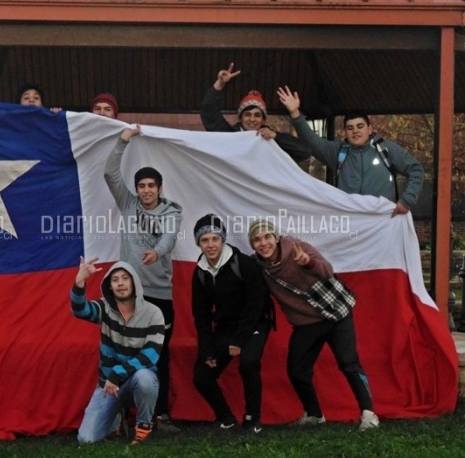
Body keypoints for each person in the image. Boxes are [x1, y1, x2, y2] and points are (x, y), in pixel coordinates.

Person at [248, 219, 380, 431]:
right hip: (306, 323)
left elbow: (327, 270)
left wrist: (308, 262)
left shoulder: (297, 248)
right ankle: (314, 414)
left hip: (335, 312)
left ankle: (369, 414)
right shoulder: (257, 267)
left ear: (276, 238)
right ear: (252, 244)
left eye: (267, 237)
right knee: (296, 370)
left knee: (349, 362)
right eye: (256, 239)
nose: (263, 243)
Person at [104, 125, 183, 432]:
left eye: (152, 185)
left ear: (159, 188)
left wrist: (158, 252)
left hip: (160, 295)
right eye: (142, 186)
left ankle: (158, 415)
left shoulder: (171, 211)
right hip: (128, 296)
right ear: (136, 189)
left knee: (157, 356)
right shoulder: (127, 203)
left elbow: (169, 237)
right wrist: (122, 140)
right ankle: (119, 413)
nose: (146, 190)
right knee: (124, 353)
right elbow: (110, 173)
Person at [277, 85, 424, 216]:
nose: (355, 131)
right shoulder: (338, 151)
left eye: (360, 126)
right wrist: (295, 113)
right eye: (350, 128)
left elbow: (416, 170)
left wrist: (406, 201)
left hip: (382, 223)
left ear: (370, 129)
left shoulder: (386, 148)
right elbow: (311, 140)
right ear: (345, 132)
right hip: (350, 224)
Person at [191, 214, 273, 433]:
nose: (210, 244)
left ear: (223, 240)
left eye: (215, 239)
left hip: (255, 322)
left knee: (248, 362)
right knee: (201, 375)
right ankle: (226, 418)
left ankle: (252, 418)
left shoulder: (243, 263)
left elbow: (256, 304)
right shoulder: (199, 272)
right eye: (205, 240)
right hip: (226, 327)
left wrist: (239, 339)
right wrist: (207, 350)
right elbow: (202, 315)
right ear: (198, 243)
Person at [71, 258, 165, 446]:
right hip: (108, 386)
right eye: (115, 280)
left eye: (125, 278)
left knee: (146, 378)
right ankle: (117, 419)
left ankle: (143, 427)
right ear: (110, 286)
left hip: (134, 380)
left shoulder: (154, 313)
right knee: (86, 439)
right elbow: (80, 310)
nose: (120, 283)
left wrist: (117, 373)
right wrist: (79, 282)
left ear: (134, 283)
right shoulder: (104, 308)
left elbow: (150, 355)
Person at [200, 63, 311, 163]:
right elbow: (209, 113)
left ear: (263, 119)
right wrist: (219, 84)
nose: (252, 119)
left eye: (257, 115)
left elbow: (304, 152)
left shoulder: (273, 140)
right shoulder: (229, 136)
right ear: (240, 118)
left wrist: (276, 137)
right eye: (247, 114)